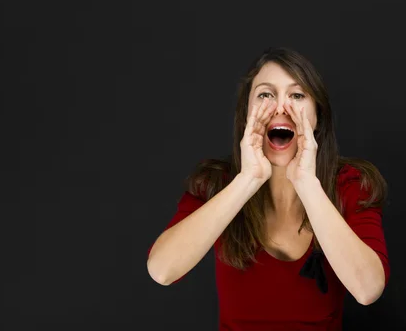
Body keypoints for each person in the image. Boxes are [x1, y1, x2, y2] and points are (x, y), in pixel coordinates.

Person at [146, 47, 390, 330]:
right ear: (246, 114)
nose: (280, 107)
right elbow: (161, 270)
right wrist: (248, 179)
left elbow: (368, 289)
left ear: (318, 117)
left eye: (297, 95)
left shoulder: (350, 183)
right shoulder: (215, 183)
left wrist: (307, 183)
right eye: (265, 94)